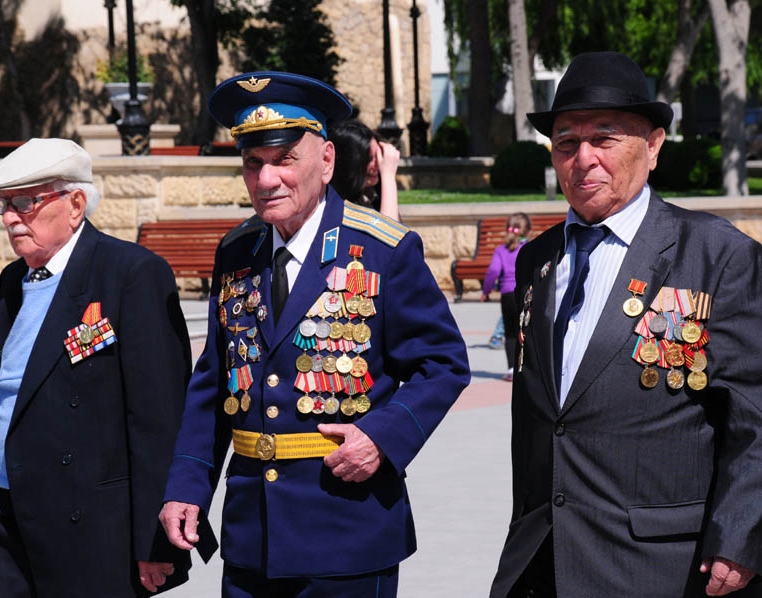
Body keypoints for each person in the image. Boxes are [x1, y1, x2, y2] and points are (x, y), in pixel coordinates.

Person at [160, 71, 471, 597]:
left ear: (326, 160)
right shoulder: (237, 254)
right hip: (252, 532)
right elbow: (215, 381)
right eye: (253, 164)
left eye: (284, 160)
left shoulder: (383, 249)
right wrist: (188, 484)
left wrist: (383, 436)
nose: (266, 180)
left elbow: (443, 363)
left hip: (346, 527)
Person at [490, 52, 762, 598]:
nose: (583, 158)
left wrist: (739, 534)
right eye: (566, 142)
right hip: (543, 560)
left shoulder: (716, 256)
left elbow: (754, 414)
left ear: (654, 145)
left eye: (605, 139)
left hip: (662, 566)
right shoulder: (535, 260)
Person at [0, 138, 194, 597]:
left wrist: (153, 541)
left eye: (27, 202)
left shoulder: (130, 272)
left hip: (85, 522)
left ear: (75, 204)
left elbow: (158, 418)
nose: (11, 218)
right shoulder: (15, 278)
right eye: (4, 204)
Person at [481, 213, 532, 381]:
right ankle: (527, 367)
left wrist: (486, 290)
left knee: (510, 333)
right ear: (528, 230)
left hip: (507, 295)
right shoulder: (529, 247)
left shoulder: (500, 250)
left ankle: (511, 368)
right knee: (527, 332)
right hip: (526, 293)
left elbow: (493, 271)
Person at [329, 119, 401, 220]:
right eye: (369, 158)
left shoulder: (371, 197)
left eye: (378, 155)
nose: (378, 164)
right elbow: (390, 233)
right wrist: (388, 176)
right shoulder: (338, 209)